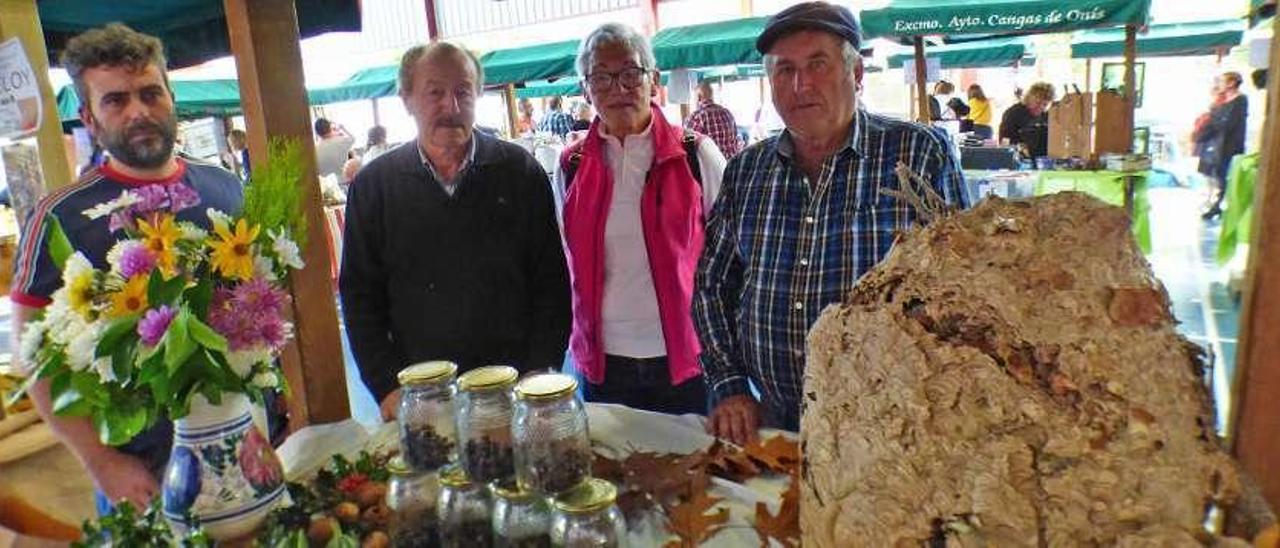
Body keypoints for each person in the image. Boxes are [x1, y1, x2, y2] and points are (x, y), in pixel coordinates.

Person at [692, 2, 969, 444]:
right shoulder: (747, 170)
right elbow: (712, 284)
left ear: (856, 74)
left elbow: (960, 289)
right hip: (769, 418)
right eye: (784, 70)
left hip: (887, 423)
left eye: (817, 64)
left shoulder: (917, 154)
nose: (800, 85)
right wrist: (728, 384)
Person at [11, 23, 246, 512]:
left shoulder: (225, 189)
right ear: (89, 119)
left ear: (171, 97)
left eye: (150, 93)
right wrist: (99, 461)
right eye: (116, 100)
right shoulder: (59, 218)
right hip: (138, 475)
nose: (139, 110)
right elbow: (31, 354)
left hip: (239, 443)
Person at [340, 41, 571, 420]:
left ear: (478, 95)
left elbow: (551, 285)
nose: (450, 106)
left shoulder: (520, 172)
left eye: (463, 91)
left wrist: (540, 371)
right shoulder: (374, 187)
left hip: (514, 394)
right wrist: (385, 388)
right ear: (407, 99)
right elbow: (360, 297)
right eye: (435, 92)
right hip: (420, 399)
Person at [554, 23, 726, 415]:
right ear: (586, 89)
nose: (618, 88)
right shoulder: (572, 164)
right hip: (603, 363)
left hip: (686, 358)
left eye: (631, 74)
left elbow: (730, 260)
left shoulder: (696, 155)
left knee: (694, 470)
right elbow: (566, 258)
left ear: (654, 81)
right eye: (601, 77)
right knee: (616, 470)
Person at [1194, 71, 1248, 220]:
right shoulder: (1223, 102)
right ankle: (1215, 204)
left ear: (1231, 83)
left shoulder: (1240, 100)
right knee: (1215, 175)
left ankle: (1219, 205)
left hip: (1229, 146)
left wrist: (1212, 124)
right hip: (1217, 145)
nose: (1221, 85)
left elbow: (1227, 123)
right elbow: (1215, 119)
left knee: (1224, 176)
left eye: (1224, 81)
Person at [686, 80, 743, 158]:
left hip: (711, 168)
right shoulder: (727, 113)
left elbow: (688, 146)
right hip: (731, 165)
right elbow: (737, 141)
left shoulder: (697, 117)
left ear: (699, 97)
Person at [998, 82, 1054, 158]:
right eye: (1037, 103)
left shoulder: (1046, 116)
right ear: (1028, 98)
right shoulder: (1013, 113)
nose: (1040, 107)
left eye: (1045, 105)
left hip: (1042, 160)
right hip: (1019, 159)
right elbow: (1004, 141)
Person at [314, 117, 355, 181]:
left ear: (317, 133)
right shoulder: (341, 141)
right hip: (348, 176)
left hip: (330, 181)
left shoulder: (315, 149)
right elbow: (353, 138)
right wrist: (343, 128)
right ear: (330, 128)